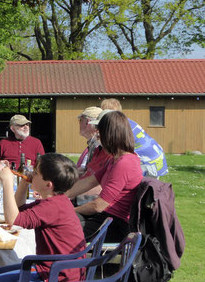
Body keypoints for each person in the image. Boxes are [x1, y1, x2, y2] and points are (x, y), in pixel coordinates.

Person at [0, 153, 86, 282]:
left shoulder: (51, 207)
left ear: (48, 185)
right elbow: (17, 209)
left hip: (55, 278)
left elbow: (13, 219)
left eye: (36, 173)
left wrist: (7, 183)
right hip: (57, 271)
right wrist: (24, 183)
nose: (32, 174)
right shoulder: (57, 201)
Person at [67, 111, 143, 242]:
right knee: (60, 220)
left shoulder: (125, 163)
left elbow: (99, 205)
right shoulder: (114, 160)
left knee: (62, 228)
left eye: (100, 133)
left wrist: (70, 210)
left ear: (109, 135)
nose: (98, 136)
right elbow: (89, 182)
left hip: (115, 226)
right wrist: (58, 196)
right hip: (105, 218)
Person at [101, 98, 168, 177]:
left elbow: (115, 150)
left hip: (148, 163)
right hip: (156, 158)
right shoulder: (126, 121)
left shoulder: (117, 126)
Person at [75, 106, 111, 206]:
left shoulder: (99, 146)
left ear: (88, 122)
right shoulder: (95, 146)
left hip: (91, 201)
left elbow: (98, 185)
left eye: (80, 120)